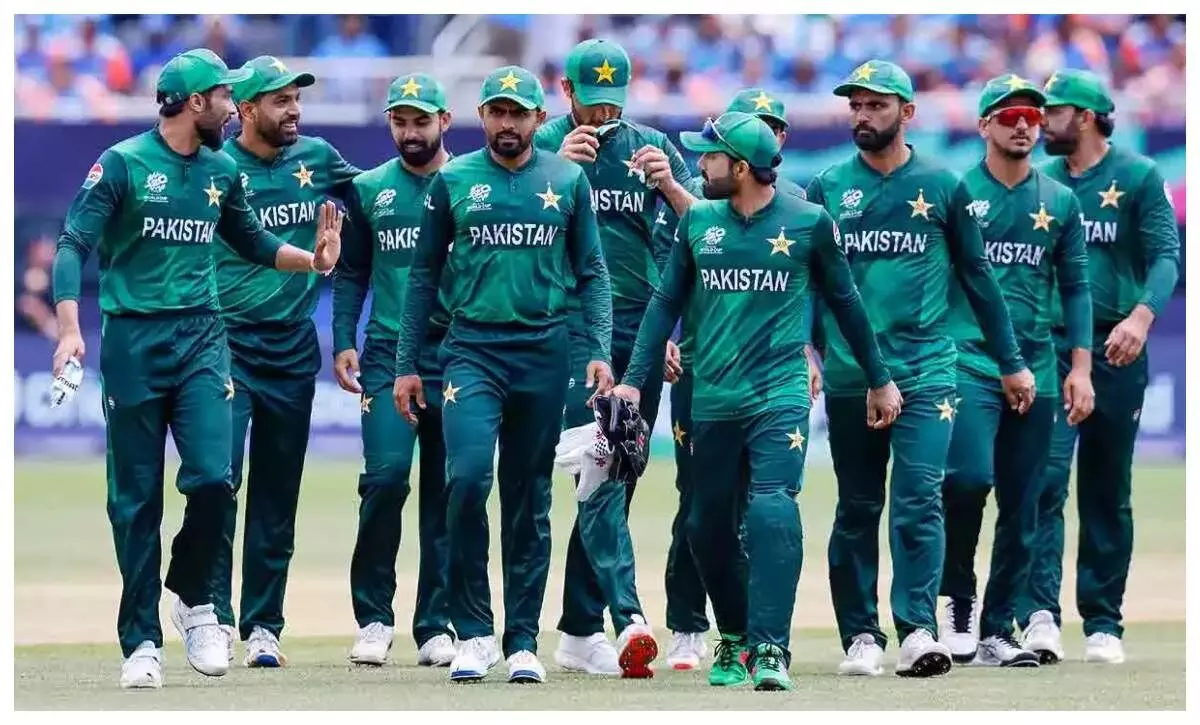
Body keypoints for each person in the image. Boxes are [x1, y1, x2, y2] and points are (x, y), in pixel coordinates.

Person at [49, 48, 343, 690]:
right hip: (133, 341)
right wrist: (69, 328)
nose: (232, 109)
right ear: (195, 102)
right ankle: (141, 642)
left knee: (214, 479)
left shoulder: (220, 170)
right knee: (135, 502)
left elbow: (252, 241)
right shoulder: (123, 164)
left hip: (203, 337)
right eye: (224, 97)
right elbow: (73, 244)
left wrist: (313, 261)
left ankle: (189, 594)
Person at [611, 111, 901, 691]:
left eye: (711, 157)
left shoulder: (808, 223)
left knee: (771, 509)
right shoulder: (699, 223)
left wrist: (879, 378)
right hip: (714, 398)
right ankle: (737, 634)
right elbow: (664, 305)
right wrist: (633, 381)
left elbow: (846, 304)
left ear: (741, 168)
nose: (701, 165)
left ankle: (771, 648)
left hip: (779, 395)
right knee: (705, 526)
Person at [806, 59, 1034, 678]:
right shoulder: (828, 186)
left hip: (929, 368)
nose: (862, 115)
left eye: (876, 105)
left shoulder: (942, 185)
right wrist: (807, 346)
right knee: (858, 505)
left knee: (919, 499)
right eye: (855, 105)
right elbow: (808, 280)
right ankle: (860, 634)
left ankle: (917, 630)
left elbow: (979, 279)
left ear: (907, 112)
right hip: (853, 373)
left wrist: (1011, 362)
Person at [392, 65, 614, 685]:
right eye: (497, 111)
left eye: (519, 112)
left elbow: (592, 271)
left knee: (528, 496)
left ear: (540, 119)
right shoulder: (454, 180)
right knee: (465, 480)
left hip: (544, 352)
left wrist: (598, 347)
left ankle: (521, 641)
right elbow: (423, 275)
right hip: (471, 351)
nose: (507, 123)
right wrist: (407, 364)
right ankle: (473, 634)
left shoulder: (567, 179)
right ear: (482, 117)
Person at [534, 38, 693, 679]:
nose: (604, 116)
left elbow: (702, 235)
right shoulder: (539, 143)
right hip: (571, 326)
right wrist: (550, 165)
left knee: (618, 474)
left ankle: (579, 629)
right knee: (596, 462)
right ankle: (628, 616)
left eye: (614, 103)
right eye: (593, 101)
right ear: (566, 92)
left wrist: (671, 186)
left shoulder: (650, 146)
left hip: (639, 328)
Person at [1018, 69, 1180, 665]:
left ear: (1085, 118)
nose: (1041, 123)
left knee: (1107, 488)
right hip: (1052, 346)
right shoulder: (1040, 182)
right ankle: (1039, 615)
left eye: (1053, 112)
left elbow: (1167, 255)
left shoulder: (1138, 175)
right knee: (1043, 479)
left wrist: (1141, 317)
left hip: (1117, 347)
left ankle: (1104, 621)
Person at [209, 54, 361, 669]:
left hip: (292, 345)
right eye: (280, 100)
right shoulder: (217, 169)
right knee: (217, 480)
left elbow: (391, 191)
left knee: (277, 490)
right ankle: (213, 617)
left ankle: (263, 626)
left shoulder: (318, 158)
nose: (294, 109)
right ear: (246, 110)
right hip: (224, 343)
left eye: (297, 98)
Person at [938, 74, 1094, 668]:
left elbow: (1075, 287)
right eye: (1009, 116)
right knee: (968, 479)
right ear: (984, 126)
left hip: (1040, 367)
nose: (1024, 124)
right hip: (969, 361)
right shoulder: (957, 193)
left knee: (1027, 499)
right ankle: (957, 601)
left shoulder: (1060, 201)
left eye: (1032, 115)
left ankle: (999, 626)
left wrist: (1081, 368)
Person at [330, 73, 457, 669]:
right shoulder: (369, 189)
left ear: (444, 122)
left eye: (421, 121)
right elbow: (352, 271)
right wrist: (342, 339)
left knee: (448, 490)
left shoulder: (470, 184)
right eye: (400, 122)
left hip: (457, 353)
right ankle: (374, 618)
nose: (410, 133)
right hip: (386, 351)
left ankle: (435, 624)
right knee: (384, 479)